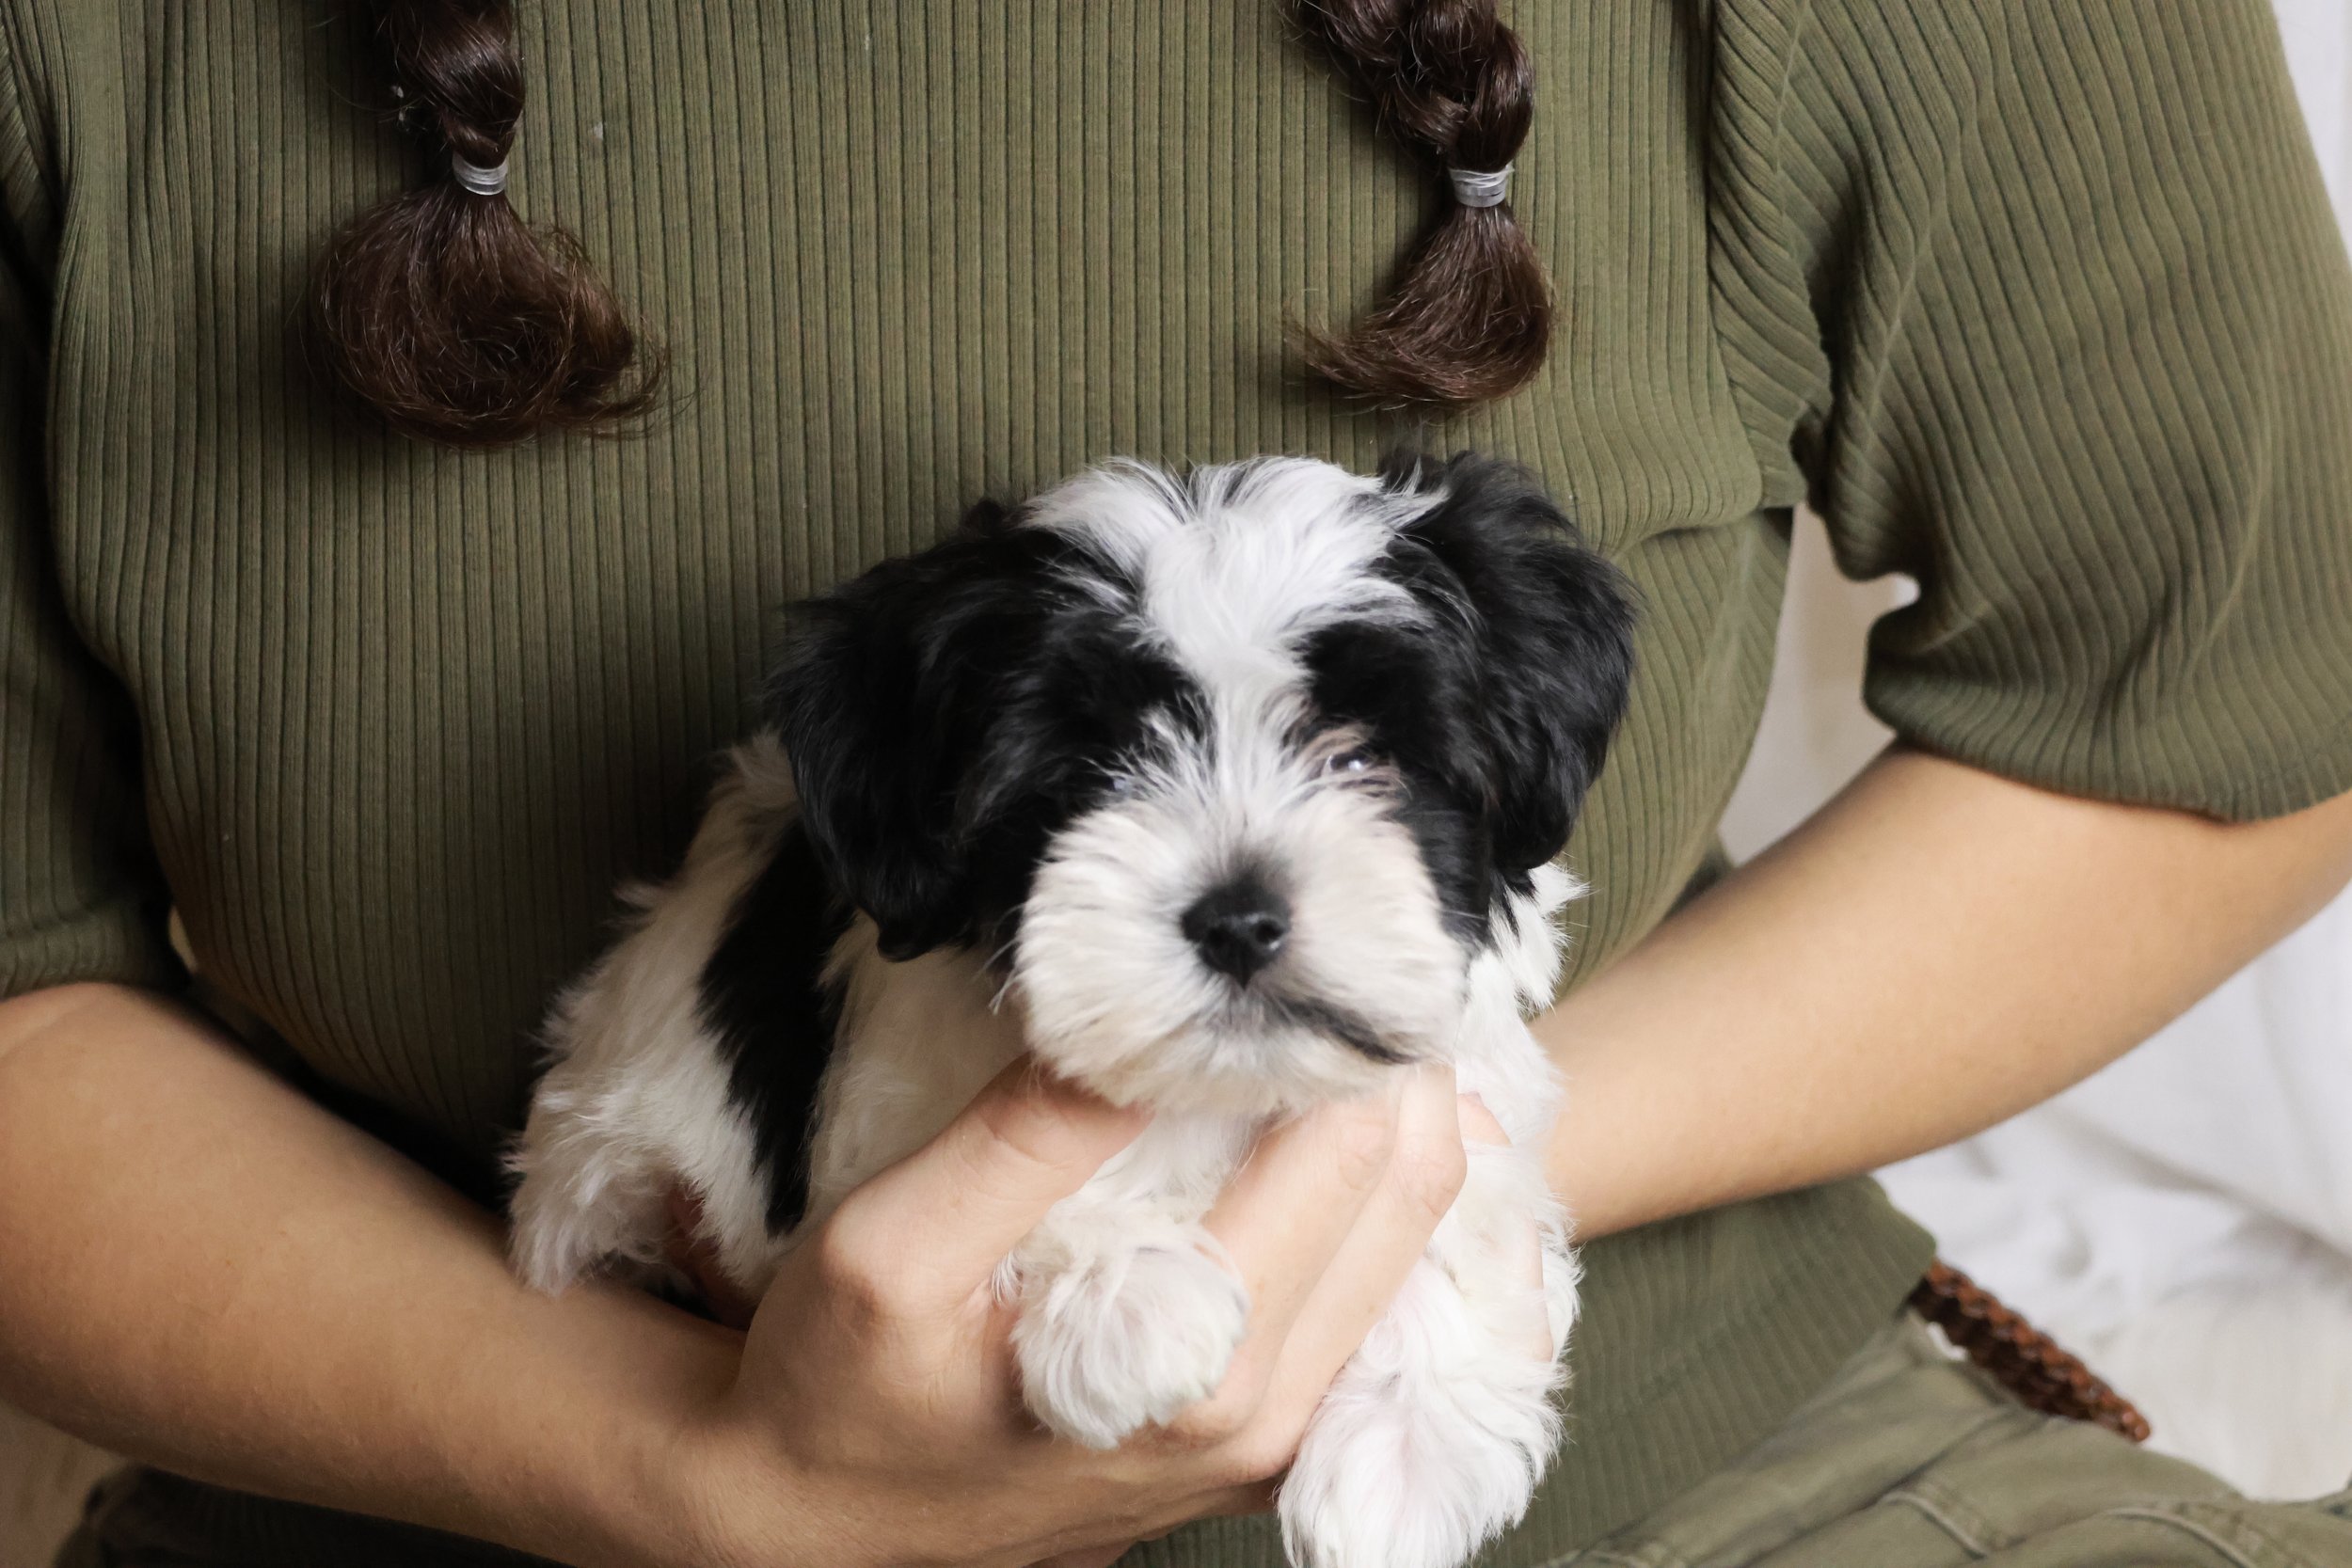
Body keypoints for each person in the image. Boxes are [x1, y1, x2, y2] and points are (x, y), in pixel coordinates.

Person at [3, 1, 2350, 1564]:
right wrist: (684, 1468)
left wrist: (1423, 1181)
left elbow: (2234, 714)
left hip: (1669, 1462)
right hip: (459, 1497)